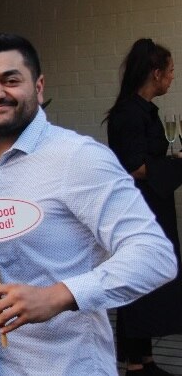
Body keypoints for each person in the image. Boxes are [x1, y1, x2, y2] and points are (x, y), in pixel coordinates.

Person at [0, 33, 178, 375]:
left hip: (66, 366)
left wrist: (60, 295)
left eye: (11, 80)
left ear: (39, 86)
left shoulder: (78, 158)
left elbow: (155, 256)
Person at [105, 38, 182, 376]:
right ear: (155, 73)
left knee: (152, 278)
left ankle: (145, 360)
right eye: (170, 71)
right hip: (137, 210)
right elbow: (135, 166)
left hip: (154, 206)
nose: (172, 77)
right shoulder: (127, 114)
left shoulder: (146, 110)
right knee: (137, 277)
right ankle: (134, 364)